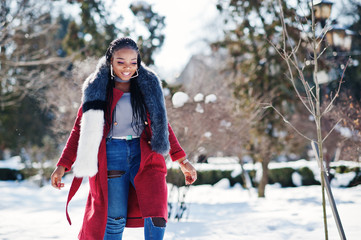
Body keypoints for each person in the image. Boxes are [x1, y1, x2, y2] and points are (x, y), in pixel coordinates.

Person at [50, 37, 197, 240]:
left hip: (145, 155)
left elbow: (162, 124)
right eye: (121, 62)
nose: (127, 67)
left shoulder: (148, 86)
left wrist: (182, 160)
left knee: (157, 213)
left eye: (133, 62)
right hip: (112, 156)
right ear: (110, 60)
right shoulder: (97, 88)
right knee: (114, 218)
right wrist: (63, 164)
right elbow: (79, 129)